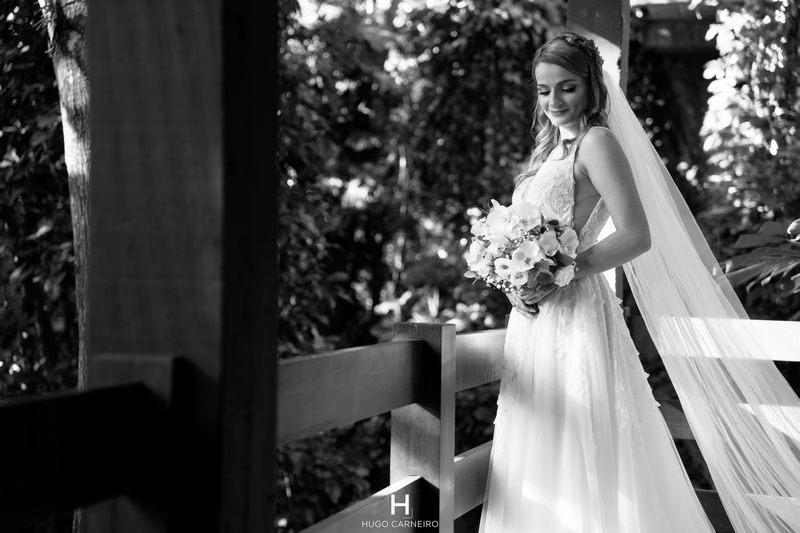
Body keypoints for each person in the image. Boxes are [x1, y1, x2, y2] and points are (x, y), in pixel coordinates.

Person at [479, 31, 800, 532]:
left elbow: (636, 234)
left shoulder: (598, 142)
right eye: (544, 90)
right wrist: (517, 280)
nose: (554, 101)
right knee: (540, 441)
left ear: (592, 86)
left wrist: (561, 272)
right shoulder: (553, 150)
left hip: (575, 313)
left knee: (583, 441)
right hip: (537, 321)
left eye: (567, 87)